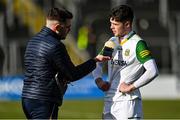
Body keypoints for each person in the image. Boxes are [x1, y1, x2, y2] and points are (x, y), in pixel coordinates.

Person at [21, 7, 110, 119]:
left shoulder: (33, 41)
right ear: (57, 27)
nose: (69, 30)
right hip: (44, 100)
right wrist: (95, 60)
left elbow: (41, 67)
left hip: (27, 97)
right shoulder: (56, 46)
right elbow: (72, 74)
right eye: (67, 27)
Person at [92, 5, 159, 120]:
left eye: (115, 24)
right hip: (110, 100)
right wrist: (98, 80)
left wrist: (131, 87)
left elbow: (153, 71)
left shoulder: (138, 44)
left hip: (128, 103)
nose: (111, 27)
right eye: (111, 23)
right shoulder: (111, 42)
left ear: (127, 24)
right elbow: (97, 62)